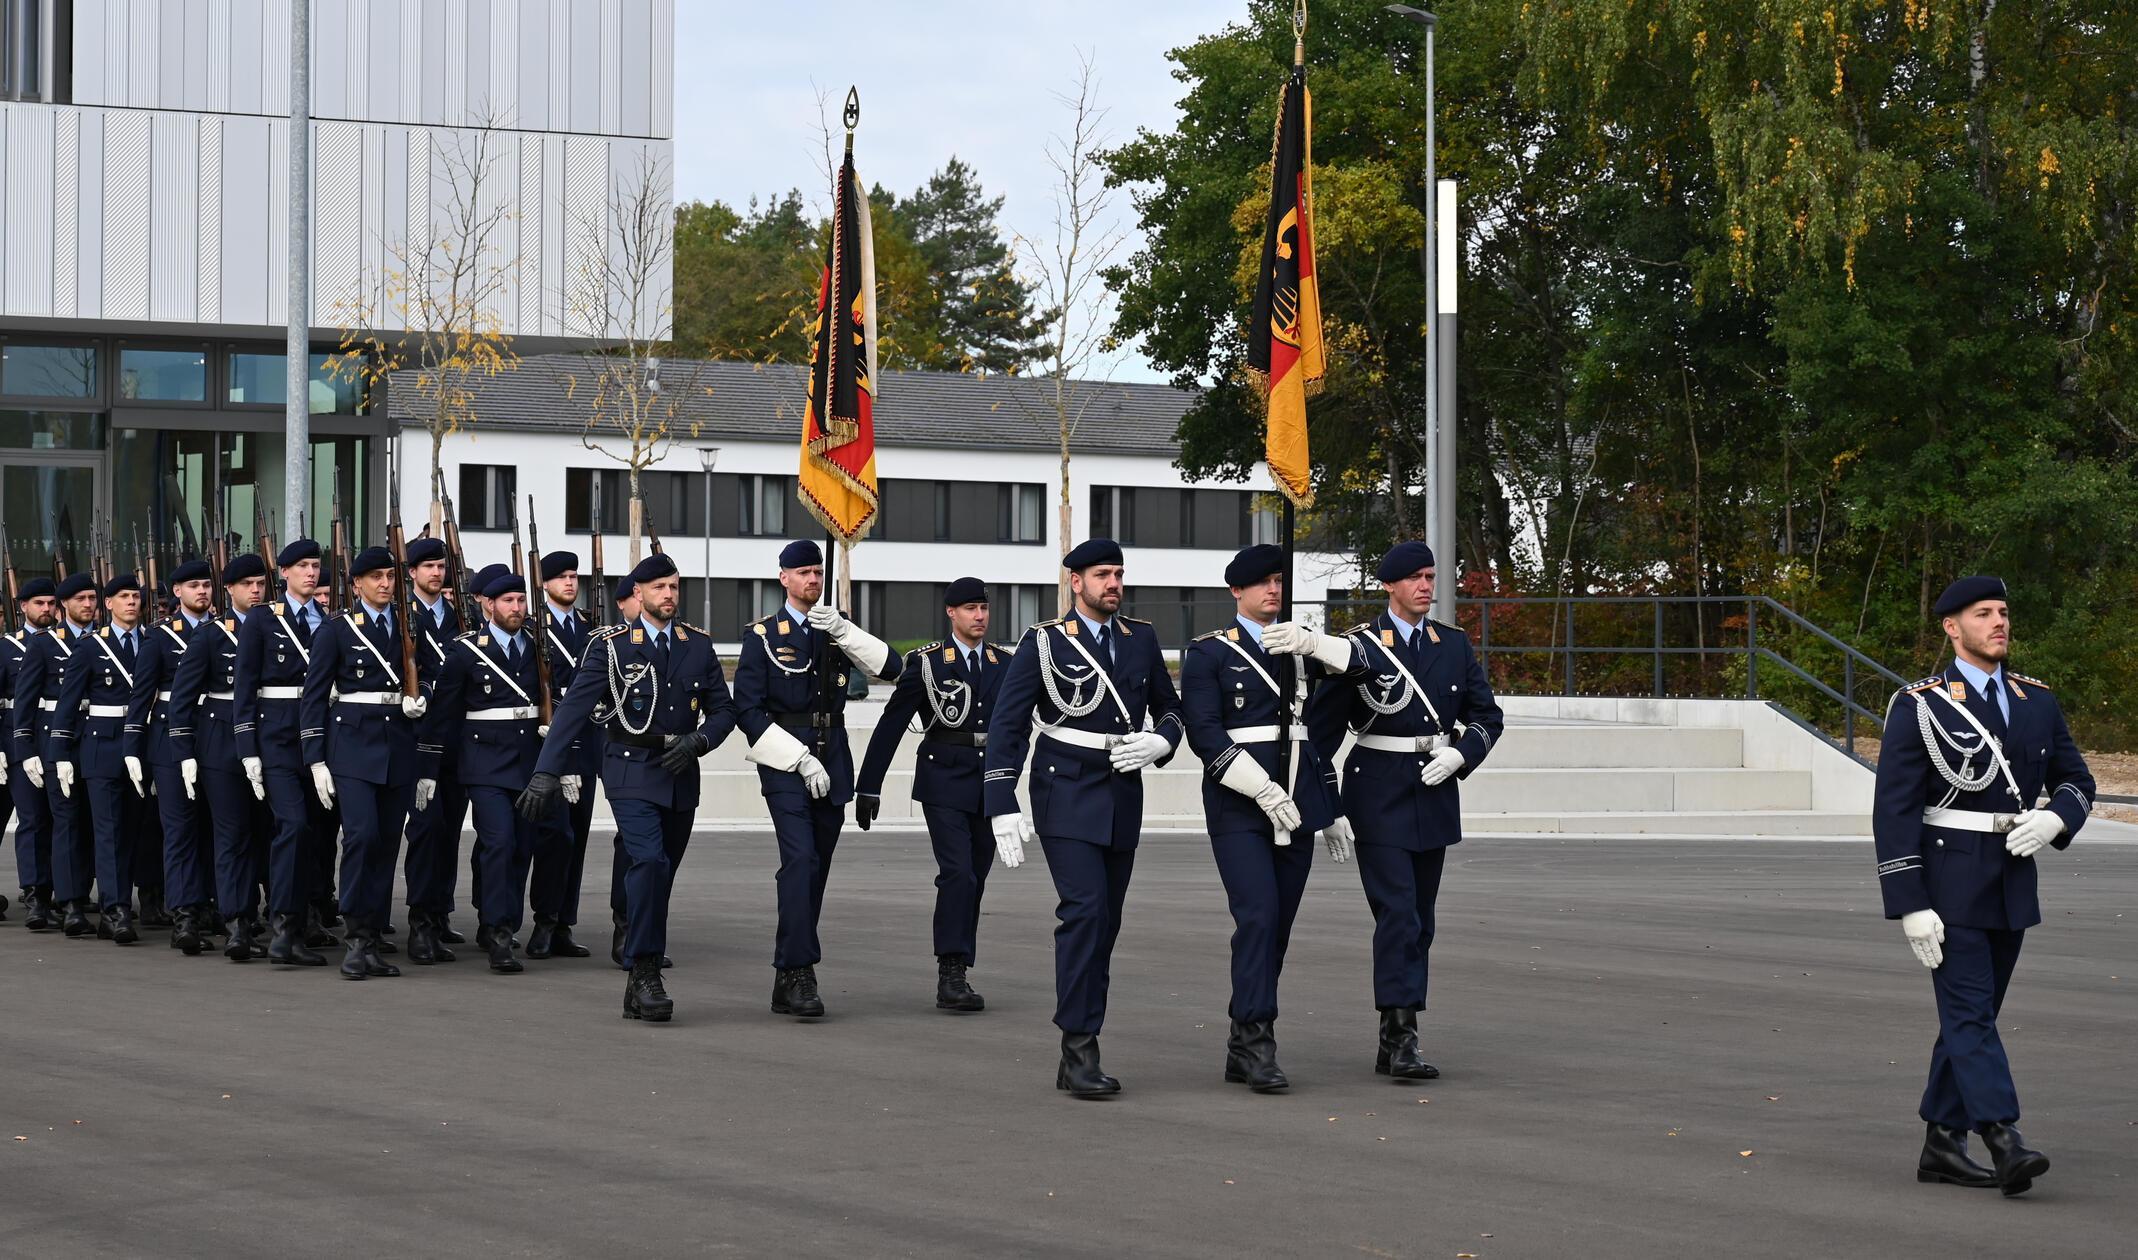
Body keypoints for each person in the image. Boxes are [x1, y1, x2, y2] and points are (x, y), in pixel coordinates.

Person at [1872, 576, 2096, 1197]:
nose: (1999, 622)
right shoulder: (1921, 703)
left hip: (2011, 879)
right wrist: (1910, 902)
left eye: (2003, 611)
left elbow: (2077, 778)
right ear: (1952, 627)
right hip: (1947, 882)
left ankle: (1941, 1143)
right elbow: (1893, 812)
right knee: (1970, 1012)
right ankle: (2004, 1136)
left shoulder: (2035, 701)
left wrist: (2058, 817)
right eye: (1983, 613)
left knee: (1973, 1017)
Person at [983, 538, 1185, 1098]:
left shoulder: (1140, 638)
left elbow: (1171, 707)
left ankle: (1080, 1042)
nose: (1113, 583)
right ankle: (1078, 1047)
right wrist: (1001, 800)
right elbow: (1008, 724)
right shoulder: (1045, 642)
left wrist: (1159, 742)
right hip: (1066, 792)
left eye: (1119, 573)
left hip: (1123, 793)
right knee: (1085, 914)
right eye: (1102, 574)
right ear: (1076, 582)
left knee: (1107, 923)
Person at [1305, 541, 1504, 1081]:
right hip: (1378, 793)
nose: (1425, 585)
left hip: (1434, 793)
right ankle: (1401, 1039)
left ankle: (1395, 1029)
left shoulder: (1453, 645)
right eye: (1414, 577)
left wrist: (1462, 754)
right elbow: (1319, 737)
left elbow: (1487, 715)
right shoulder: (1359, 648)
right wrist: (1326, 809)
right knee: (1398, 914)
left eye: (1431, 576)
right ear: (1389, 585)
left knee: (1422, 923)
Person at [520, 553, 737, 1022]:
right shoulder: (612, 645)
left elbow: (724, 711)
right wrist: (546, 772)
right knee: (648, 860)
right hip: (629, 767)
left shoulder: (696, 644)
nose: (669, 595)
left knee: (662, 874)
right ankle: (644, 971)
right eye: (660, 587)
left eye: (675, 587)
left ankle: (639, 969)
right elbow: (574, 710)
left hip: (680, 772)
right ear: (637, 594)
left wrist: (700, 740)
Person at [1180, 544, 1353, 1092]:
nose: (1273, 592)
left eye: (1279, 582)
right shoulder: (1208, 653)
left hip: (1299, 802)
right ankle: (1258, 1040)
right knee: (1257, 916)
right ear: (1237, 591)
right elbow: (1204, 734)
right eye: (1261, 583)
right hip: (1239, 803)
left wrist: (1330, 807)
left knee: (1276, 925)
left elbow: (1320, 734)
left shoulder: (1298, 650)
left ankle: (1240, 1037)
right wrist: (1262, 789)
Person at [732, 539, 901, 1020]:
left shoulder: (834, 630)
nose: (813, 579)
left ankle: (787, 973)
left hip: (835, 756)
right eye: (803, 571)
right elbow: (748, 708)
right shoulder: (763, 636)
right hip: (786, 760)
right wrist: (799, 759)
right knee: (801, 861)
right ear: (783, 577)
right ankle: (801, 971)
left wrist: (845, 630)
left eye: (818, 571)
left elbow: (891, 669)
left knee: (815, 870)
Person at [855, 576, 1007, 1012]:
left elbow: (1018, 722)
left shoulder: (1004, 663)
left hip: (989, 779)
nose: (979, 616)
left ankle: (960, 961)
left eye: (983, 608)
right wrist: (869, 786)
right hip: (943, 780)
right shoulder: (927, 665)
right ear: (951, 614)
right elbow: (891, 724)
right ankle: (951, 970)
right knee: (958, 871)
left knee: (976, 875)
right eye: (969, 609)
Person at [300, 545, 432, 980]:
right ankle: (356, 937)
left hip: (398, 743)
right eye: (374, 577)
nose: (384, 584)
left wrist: (422, 697)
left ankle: (373, 934)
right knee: (361, 837)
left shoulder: (412, 622)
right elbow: (315, 696)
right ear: (356, 584)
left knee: (387, 844)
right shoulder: (337, 629)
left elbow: (431, 673)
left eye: (390, 576)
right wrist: (315, 758)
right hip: (352, 748)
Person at [426, 571, 555, 974]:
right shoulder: (466, 652)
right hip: (483, 764)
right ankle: (499, 932)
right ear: (489, 605)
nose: (516, 608)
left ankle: (500, 919)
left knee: (520, 847)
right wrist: (429, 767)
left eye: (521, 601)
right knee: (497, 842)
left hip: (529, 761)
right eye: (508, 601)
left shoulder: (539, 647)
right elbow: (443, 714)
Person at [235, 539, 344, 963]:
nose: (311, 573)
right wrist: (248, 749)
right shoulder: (263, 621)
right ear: (283, 574)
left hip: (322, 739)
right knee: (293, 828)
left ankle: (307, 921)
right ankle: (283, 927)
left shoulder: (333, 622)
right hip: (277, 738)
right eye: (301, 566)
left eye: (315, 566)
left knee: (317, 836)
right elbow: (244, 688)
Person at [170, 553, 274, 961]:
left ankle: (272, 913)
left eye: (260, 583)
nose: (255, 590)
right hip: (222, 744)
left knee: (267, 834)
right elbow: (181, 699)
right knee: (232, 836)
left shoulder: (277, 627)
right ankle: (237, 923)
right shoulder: (212, 635)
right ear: (228, 590)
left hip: (270, 741)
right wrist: (184, 752)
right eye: (246, 584)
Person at [51, 573, 158, 945]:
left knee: (133, 830)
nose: (132, 602)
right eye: (123, 597)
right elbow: (67, 706)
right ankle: (114, 910)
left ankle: (128, 901)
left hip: (142, 745)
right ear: (108, 604)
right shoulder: (90, 647)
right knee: (109, 832)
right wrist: (60, 752)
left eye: (136, 596)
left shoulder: (152, 641)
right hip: (102, 748)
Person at [123, 560, 222, 954]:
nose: (202, 591)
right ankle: (182, 913)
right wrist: (133, 747)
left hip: (214, 735)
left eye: (206, 585)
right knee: (179, 830)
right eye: (194, 586)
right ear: (177, 593)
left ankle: (208, 905)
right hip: (168, 741)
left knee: (214, 829)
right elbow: (141, 695)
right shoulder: (160, 637)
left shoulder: (223, 632)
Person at [17, 574, 103, 937]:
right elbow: (25, 701)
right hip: (56, 738)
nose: (88, 605)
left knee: (89, 820)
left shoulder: (105, 640)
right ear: (65, 604)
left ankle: (82, 892)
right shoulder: (44, 644)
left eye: (92, 598)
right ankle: (67, 901)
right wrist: (24, 748)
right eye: (80, 599)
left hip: (97, 736)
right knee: (63, 821)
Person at [525, 550, 597, 959]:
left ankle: (564, 924)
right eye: (562, 577)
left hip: (585, 741)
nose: (571, 583)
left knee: (579, 837)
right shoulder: (535, 626)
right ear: (546, 583)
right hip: (548, 741)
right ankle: (544, 919)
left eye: (574, 576)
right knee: (555, 835)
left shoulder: (589, 627)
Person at [401, 535, 468, 959]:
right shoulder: (401, 616)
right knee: (425, 829)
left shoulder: (461, 616)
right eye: (427, 566)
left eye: (440, 566)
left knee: (449, 827)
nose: (436, 573)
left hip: (457, 736)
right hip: (415, 736)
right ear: (412, 573)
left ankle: (441, 911)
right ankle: (420, 923)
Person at [5, 577, 60, 930]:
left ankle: (64, 890)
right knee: (32, 820)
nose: (46, 609)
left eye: (50, 603)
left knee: (59, 821)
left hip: (55, 740)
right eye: (38, 603)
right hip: (17, 744)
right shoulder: (7, 646)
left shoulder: (65, 643)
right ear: (23, 606)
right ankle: (34, 892)